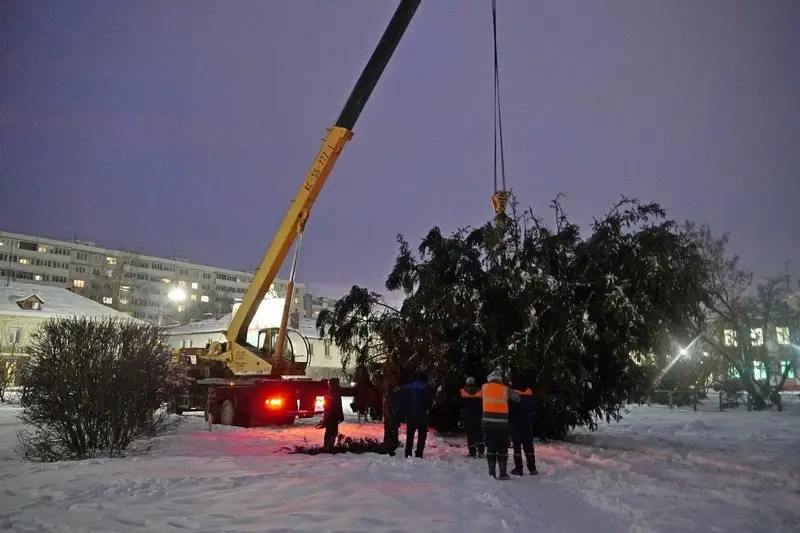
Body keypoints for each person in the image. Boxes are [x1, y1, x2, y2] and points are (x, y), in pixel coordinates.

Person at [481, 368, 520, 480]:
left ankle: (491, 474)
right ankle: (503, 474)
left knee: (490, 448)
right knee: (502, 448)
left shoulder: (484, 388)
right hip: (502, 425)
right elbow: (517, 398)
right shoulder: (505, 389)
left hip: (488, 424)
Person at [508, 378, 538, 475]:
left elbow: (509, 411)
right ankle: (532, 468)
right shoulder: (530, 396)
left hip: (516, 425)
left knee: (517, 448)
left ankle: (518, 468)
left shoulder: (513, 397)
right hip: (527, 425)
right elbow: (534, 412)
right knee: (529, 447)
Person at [398, 372, 431, 458]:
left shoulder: (406, 387)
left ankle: (408, 453)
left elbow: (402, 402)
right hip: (422, 416)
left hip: (410, 415)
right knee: (422, 436)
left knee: (410, 435)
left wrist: (404, 414)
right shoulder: (426, 387)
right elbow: (428, 402)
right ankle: (419, 453)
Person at [459, 377, 484, 458]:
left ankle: (472, 453)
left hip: (467, 417)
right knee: (479, 434)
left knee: (470, 435)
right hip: (478, 416)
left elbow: (456, 403)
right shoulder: (480, 392)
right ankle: (481, 452)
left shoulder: (462, 392)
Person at [318, 378, 344, 449]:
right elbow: (339, 405)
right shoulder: (337, 392)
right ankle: (329, 445)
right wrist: (341, 415)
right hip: (335, 415)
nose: (329, 385)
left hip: (331, 415)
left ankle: (327, 446)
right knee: (333, 431)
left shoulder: (331, 392)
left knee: (329, 431)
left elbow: (328, 406)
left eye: (329, 383)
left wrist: (325, 417)